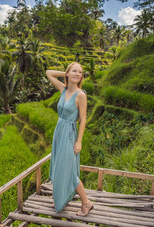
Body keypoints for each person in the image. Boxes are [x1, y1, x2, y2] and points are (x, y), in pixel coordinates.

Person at [46, 62, 93, 216]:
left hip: (70, 134)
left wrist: (79, 141)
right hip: (59, 131)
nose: (77, 74)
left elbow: (84, 120)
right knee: (58, 167)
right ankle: (61, 198)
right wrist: (65, 73)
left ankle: (86, 202)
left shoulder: (81, 95)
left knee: (70, 171)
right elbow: (48, 73)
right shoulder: (63, 89)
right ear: (67, 73)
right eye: (74, 71)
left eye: (80, 72)